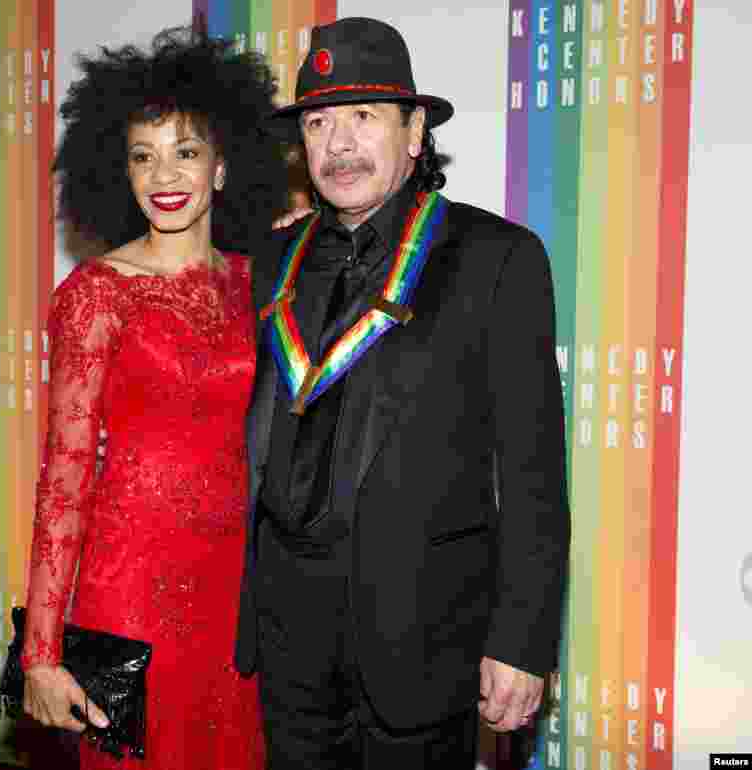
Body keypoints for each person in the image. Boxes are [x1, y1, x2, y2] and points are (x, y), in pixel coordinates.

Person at [237, 17, 570, 769]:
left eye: (364, 117)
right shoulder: (273, 263)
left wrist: (521, 641)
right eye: (319, 122)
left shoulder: (497, 260)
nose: (339, 144)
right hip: (288, 638)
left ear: (414, 131)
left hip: (422, 639)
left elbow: (533, 473)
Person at [19, 27, 288, 770]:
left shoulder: (257, 282)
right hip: (128, 590)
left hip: (237, 598)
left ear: (225, 166)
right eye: (143, 154)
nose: (163, 174)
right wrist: (41, 652)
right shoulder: (95, 296)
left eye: (186, 151)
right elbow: (64, 481)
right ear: (121, 170)